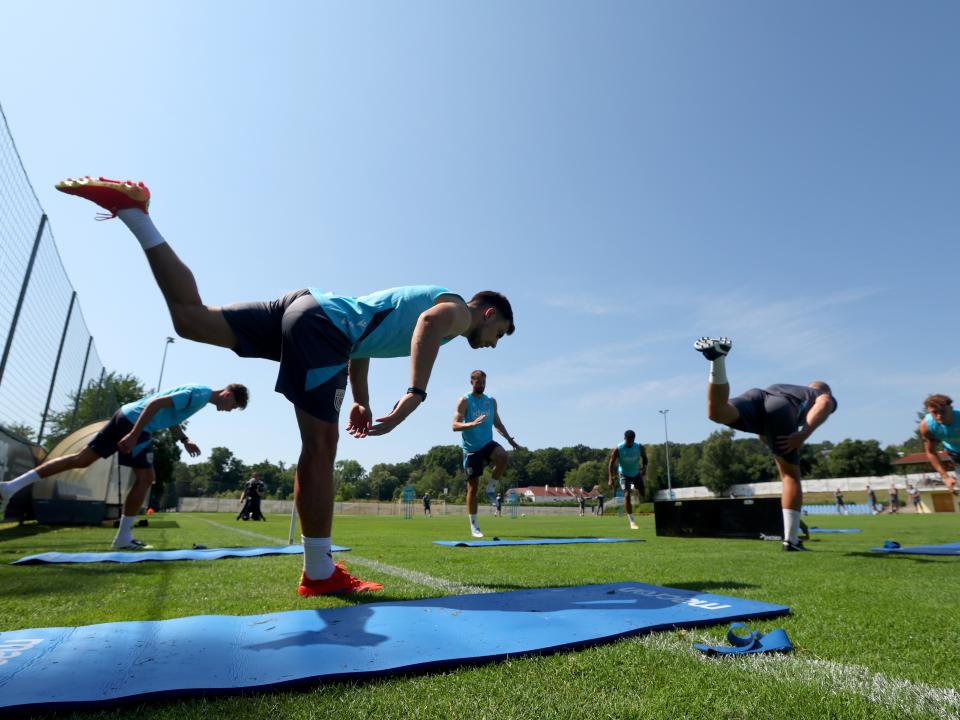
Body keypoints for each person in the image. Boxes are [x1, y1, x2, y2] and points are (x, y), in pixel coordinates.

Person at [57, 176, 515, 595]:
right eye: (500, 334)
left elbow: (363, 341)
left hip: (306, 308)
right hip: (324, 327)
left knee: (191, 320)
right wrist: (414, 395)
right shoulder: (456, 311)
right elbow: (429, 326)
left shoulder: (428, 300)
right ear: (489, 314)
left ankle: (137, 216)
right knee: (319, 449)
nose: (492, 345)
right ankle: (319, 572)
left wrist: (361, 400)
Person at [0, 383, 247, 547]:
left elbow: (171, 416)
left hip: (124, 415)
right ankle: (123, 536)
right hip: (134, 424)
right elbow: (155, 404)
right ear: (228, 394)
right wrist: (134, 434)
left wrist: (184, 439)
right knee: (146, 478)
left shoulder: (200, 399)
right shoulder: (200, 394)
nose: (229, 410)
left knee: (81, 460)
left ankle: (10, 486)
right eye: (232, 406)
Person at [694, 337, 837, 552]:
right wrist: (803, 434)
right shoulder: (820, 394)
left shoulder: (792, 387)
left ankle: (717, 359)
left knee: (718, 412)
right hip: (780, 409)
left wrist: (771, 440)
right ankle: (791, 540)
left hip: (758, 396)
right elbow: (825, 403)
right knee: (790, 476)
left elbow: (764, 433)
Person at [452, 370, 522, 538]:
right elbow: (454, 425)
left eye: (483, 382)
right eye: (478, 383)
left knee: (503, 456)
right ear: (471, 382)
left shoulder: (490, 401)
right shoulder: (464, 401)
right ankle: (474, 526)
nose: (481, 385)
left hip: (487, 444)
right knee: (473, 488)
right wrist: (471, 423)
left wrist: (509, 440)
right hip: (471, 449)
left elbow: (497, 423)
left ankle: (491, 488)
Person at [919, 394, 960, 494]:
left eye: (942, 411)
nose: (939, 416)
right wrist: (945, 478)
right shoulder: (927, 426)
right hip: (957, 455)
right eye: (934, 412)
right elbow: (931, 452)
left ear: (951, 408)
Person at [607, 430, 648, 530]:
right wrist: (610, 478)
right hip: (624, 474)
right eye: (627, 440)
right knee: (626, 494)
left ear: (634, 439)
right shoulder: (618, 449)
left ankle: (634, 486)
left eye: (630, 440)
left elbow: (645, 458)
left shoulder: (639, 447)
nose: (628, 442)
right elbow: (611, 463)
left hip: (636, 473)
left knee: (643, 492)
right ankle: (632, 522)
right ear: (624, 438)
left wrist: (645, 467)